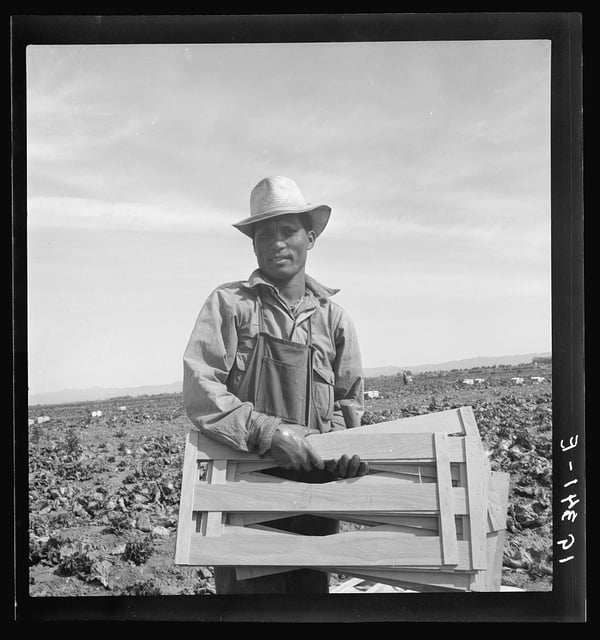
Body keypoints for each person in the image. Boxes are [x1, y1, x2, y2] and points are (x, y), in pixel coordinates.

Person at [182, 175, 368, 594]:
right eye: (265, 234)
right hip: (245, 491)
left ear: (311, 237)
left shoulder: (334, 320)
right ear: (253, 245)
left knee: (310, 605)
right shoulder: (230, 305)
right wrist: (270, 433)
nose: (277, 243)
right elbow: (200, 387)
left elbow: (348, 402)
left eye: (289, 231)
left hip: (313, 499)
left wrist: (341, 453)